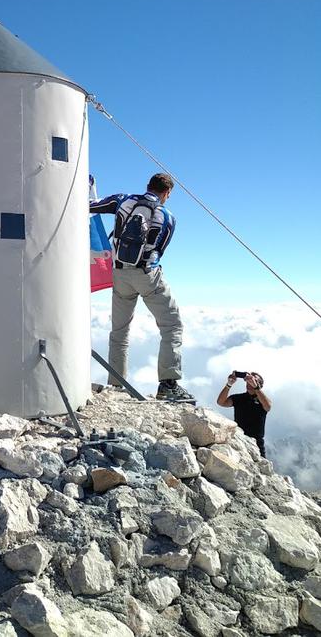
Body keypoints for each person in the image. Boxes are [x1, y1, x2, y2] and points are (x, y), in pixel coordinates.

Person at [90, 172, 194, 402]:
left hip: (119, 274)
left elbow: (91, 206)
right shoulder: (167, 217)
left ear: (147, 186)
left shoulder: (123, 200)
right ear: (167, 193)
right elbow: (160, 250)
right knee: (172, 325)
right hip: (148, 276)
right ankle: (168, 384)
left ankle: (116, 384)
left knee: (119, 331)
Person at [216, 371, 271, 456]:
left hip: (256, 443)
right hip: (239, 439)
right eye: (248, 380)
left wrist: (256, 387)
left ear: (259, 384)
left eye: (254, 380)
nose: (249, 382)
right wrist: (229, 384)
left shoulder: (262, 400)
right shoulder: (239, 398)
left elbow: (268, 406)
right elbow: (221, 402)